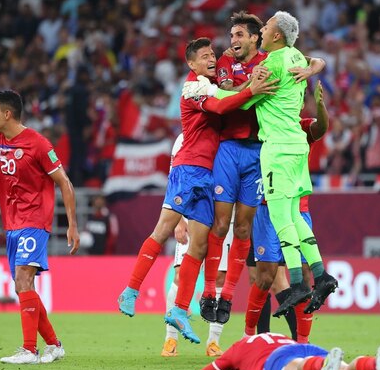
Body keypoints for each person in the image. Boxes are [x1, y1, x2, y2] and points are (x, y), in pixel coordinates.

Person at [117, 37, 277, 345]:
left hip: (209, 174)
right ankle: (131, 289)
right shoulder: (193, 86)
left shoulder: (213, 81)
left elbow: (229, 86)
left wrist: (238, 60)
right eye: (205, 56)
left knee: (200, 247)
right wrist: (251, 90)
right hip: (188, 168)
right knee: (163, 229)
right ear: (191, 63)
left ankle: (179, 311)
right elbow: (220, 103)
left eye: (212, 55)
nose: (211, 59)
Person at [189, 11, 326, 326]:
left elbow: (304, 57)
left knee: (247, 232)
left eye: (242, 34)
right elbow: (227, 96)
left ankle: (236, 305)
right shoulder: (227, 62)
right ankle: (213, 293)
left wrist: (315, 64)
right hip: (230, 148)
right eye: (232, 34)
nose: (234, 40)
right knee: (223, 226)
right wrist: (249, 89)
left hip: (261, 152)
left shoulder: (271, 60)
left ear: (256, 38)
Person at [237, 11, 338, 316]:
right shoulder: (295, 56)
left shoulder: (271, 63)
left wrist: (233, 89)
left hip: (278, 149)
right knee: (294, 217)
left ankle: (297, 283)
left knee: (282, 219)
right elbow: (314, 60)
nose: (262, 31)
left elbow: (243, 100)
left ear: (276, 35)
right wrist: (317, 64)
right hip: (297, 148)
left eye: (265, 27)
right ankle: (321, 276)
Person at [0, 90, 80, 364]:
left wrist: (72, 225)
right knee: (22, 287)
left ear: (7, 114)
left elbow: (64, 182)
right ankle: (54, 345)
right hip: (12, 223)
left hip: (35, 221)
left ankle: (30, 350)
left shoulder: (39, 144)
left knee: (23, 279)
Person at [246, 81, 329, 343]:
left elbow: (321, 127)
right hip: (265, 209)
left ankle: (301, 343)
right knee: (264, 276)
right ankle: (256, 338)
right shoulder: (264, 124)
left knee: (303, 277)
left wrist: (321, 106)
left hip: (297, 210)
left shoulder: (302, 127)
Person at [161, 133, 234, 357]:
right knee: (181, 274)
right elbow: (175, 177)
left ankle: (213, 342)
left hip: (224, 214)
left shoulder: (227, 136)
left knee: (220, 277)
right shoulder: (185, 138)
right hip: (192, 213)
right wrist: (180, 218)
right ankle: (170, 339)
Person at [192, 332, 380, 370]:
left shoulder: (237, 349)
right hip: (301, 346)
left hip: (276, 359)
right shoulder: (275, 335)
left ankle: (321, 367)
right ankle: (376, 364)